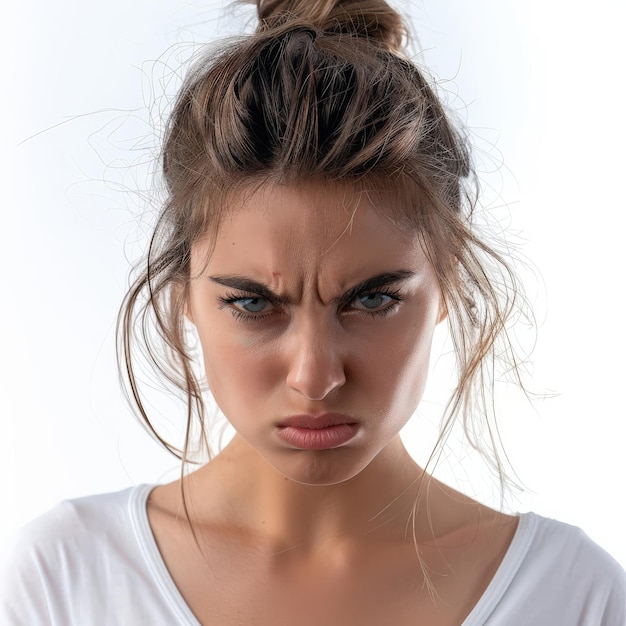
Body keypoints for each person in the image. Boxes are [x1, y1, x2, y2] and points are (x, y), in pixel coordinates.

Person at [1, 0, 624, 624]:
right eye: (252, 303)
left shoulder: (571, 596)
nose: (315, 376)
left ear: (448, 276)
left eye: (372, 299)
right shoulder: (64, 582)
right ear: (183, 291)